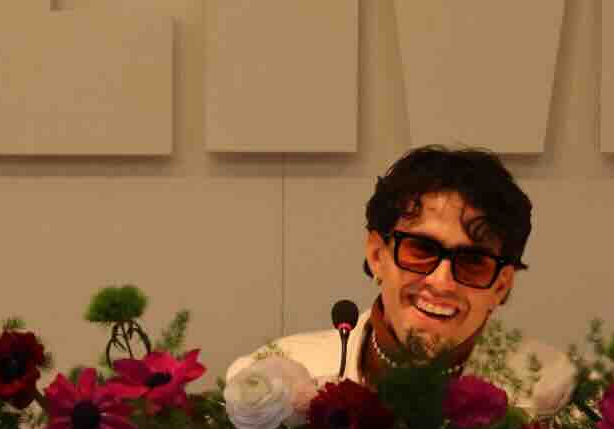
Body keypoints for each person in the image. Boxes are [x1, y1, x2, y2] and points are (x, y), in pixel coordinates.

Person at [227, 145, 564, 407]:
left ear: (501, 285)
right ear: (377, 256)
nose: (441, 281)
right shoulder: (271, 377)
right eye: (421, 250)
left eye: (473, 262)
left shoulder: (552, 391)